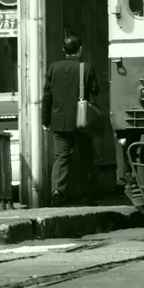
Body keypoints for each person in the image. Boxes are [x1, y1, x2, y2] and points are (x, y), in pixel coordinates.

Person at [42, 34, 100, 206]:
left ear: (63, 50)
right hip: (82, 121)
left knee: (61, 158)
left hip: (59, 121)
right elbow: (96, 90)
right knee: (85, 158)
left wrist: (46, 120)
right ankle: (87, 196)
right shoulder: (86, 67)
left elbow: (47, 97)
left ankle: (57, 192)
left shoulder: (53, 68)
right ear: (80, 50)